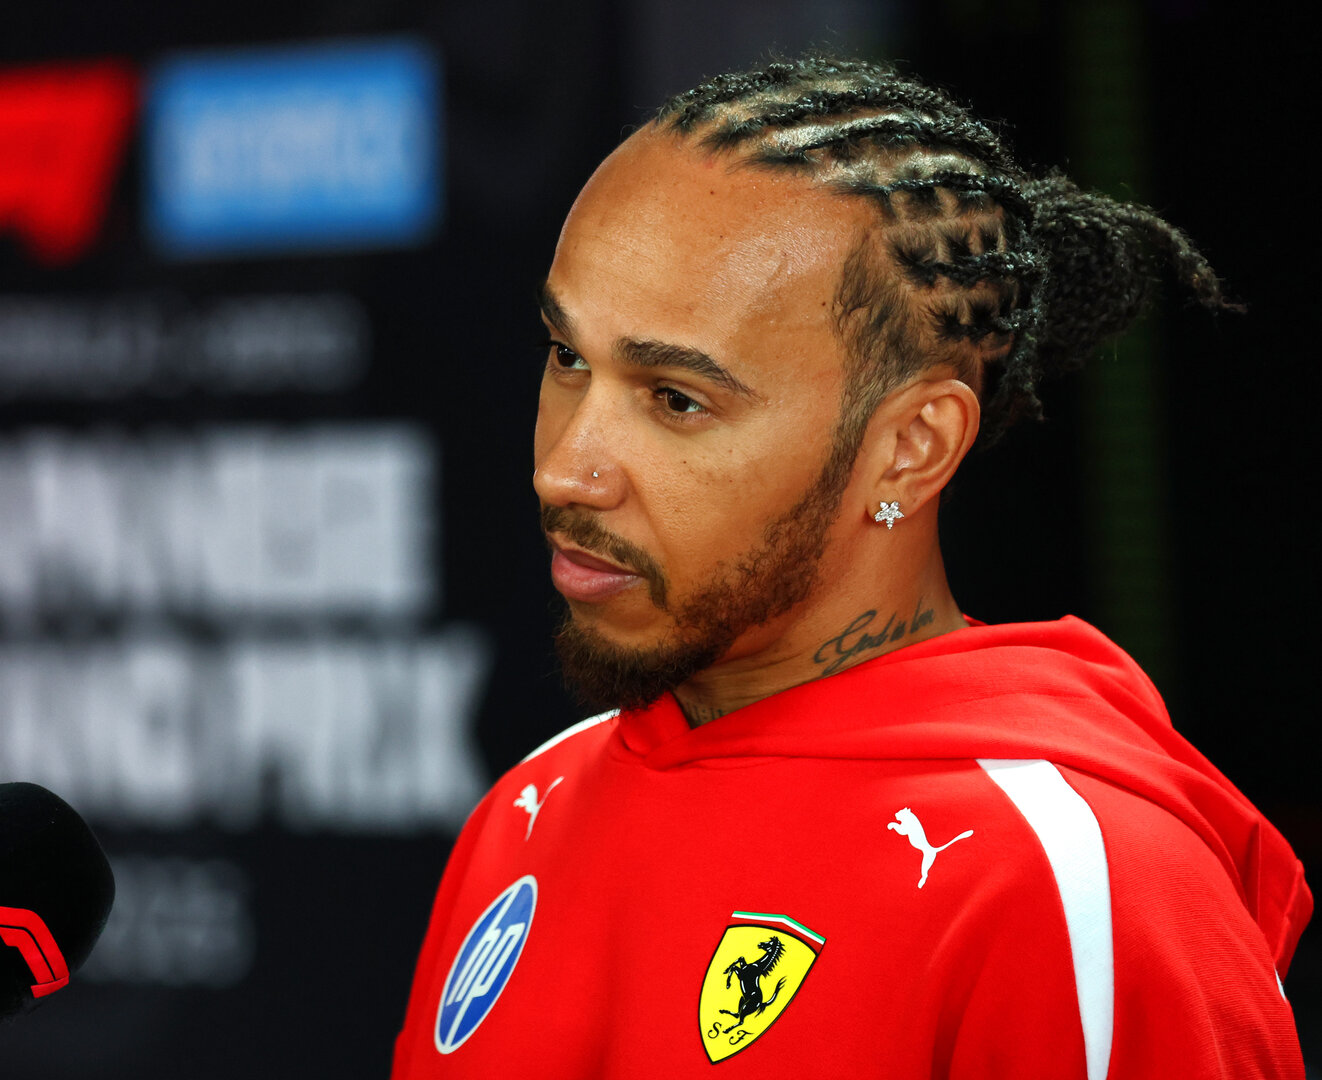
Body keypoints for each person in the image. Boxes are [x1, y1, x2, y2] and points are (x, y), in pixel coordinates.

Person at [391, 55, 1309, 1078]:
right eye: (568, 359)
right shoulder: (532, 805)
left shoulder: (1071, 885)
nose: (566, 470)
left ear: (910, 446)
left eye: (676, 399)